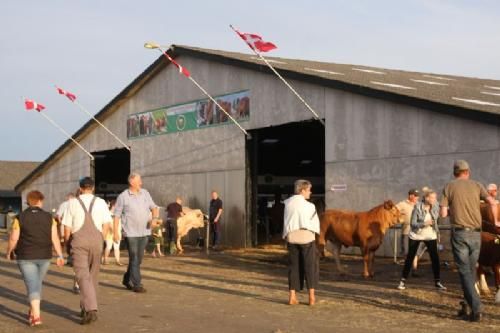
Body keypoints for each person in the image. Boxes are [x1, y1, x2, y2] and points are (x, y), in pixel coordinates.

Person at [440, 160, 499, 322]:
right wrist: (495, 222)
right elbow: (493, 202)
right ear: (468, 172)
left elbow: (443, 214)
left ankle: (477, 307)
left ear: (455, 172)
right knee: (471, 270)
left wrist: (452, 208)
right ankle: (466, 306)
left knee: (465, 271)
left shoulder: (449, 186)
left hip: (460, 234)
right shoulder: (477, 185)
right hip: (476, 235)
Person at [5, 190, 65, 327]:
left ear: (28, 202)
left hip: (25, 256)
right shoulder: (49, 218)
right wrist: (60, 255)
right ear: (40, 201)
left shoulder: (19, 218)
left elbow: (14, 238)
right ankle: (34, 311)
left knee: (33, 284)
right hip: (44, 256)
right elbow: (54, 237)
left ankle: (36, 317)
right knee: (37, 283)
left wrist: (9, 251)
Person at [62, 177, 112, 325]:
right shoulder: (101, 202)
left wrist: (66, 243)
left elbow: (67, 228)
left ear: (80, 188)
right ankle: (85, 308)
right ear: (93, 188)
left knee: (82, 275)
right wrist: (101, 238)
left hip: (79, 241)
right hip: (97, 241)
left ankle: (91, 309)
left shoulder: (72, 203)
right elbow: (107, 224)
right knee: (93, 276)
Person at [114, 172, 159, 293]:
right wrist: (115, 232)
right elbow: (116, 216)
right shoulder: (123, 196)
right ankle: (137, 284)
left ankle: (126, 279)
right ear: (131, 182)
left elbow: (154, 208)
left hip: (145, 231)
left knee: (138, 260)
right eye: (139, 180)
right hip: (130, 233)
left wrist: (154, 219)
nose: (141, 182)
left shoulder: (145, 193)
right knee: (134, 258)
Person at [397, 189, 446, 291]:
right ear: (426, 198)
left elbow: (441, 214)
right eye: (432, 198)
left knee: (435, 259)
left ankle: (438, 282)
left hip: (430, 236)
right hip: (416, 235)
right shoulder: (417, 207)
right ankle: (402, 281)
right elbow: (413, 224)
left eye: (435, 198)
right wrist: (424, 223)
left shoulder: (436, 205)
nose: (434, 200)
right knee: (410, 257)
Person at [282, 179, 320, 306]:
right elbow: (314, 222)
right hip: (306, 237)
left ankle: (292, 297)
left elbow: (287, 222)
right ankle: (311, 297)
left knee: (294, 267)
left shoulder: (287, 204)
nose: (310, 192)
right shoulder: (310, 206)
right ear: (302, 190)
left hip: (292, 237)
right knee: (310, 266)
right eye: (309, 189)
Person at [396, 189, 420, 256]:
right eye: (415, 196)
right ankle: (408, 266)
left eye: (417, 196)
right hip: (407, 232)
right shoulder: (402, 204)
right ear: (410, 195)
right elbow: (393, 212)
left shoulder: (419, 204)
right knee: (406, 252)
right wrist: (399, 219)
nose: (417, 197)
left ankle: (414, 266)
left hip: (418, 232)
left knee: (416, 253)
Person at [102, 200, 123, 265]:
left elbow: (120, 224)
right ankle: (105, 260)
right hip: (109, 233)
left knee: (117, 247)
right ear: (113, 206)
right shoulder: (108, 213)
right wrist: (114, 232)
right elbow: (109, 224)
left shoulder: (118, 214)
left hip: (117, 232)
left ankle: (118, 261)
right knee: (109, 246)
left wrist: (118, 232)